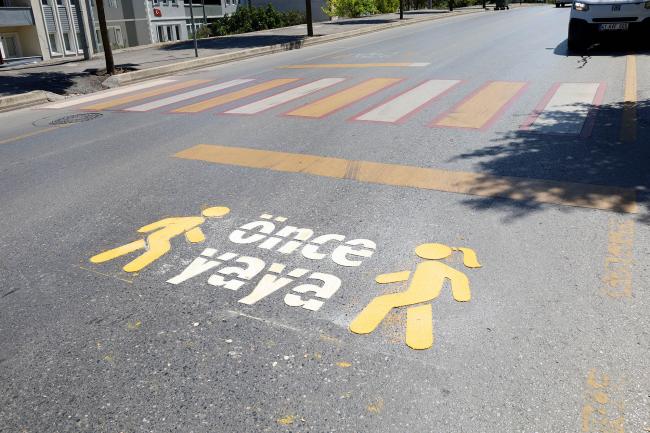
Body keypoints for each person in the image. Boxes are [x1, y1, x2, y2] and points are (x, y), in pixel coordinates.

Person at [349, 243, 481, 350]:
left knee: (384, 300)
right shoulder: (427, 265)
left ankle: (363, 324)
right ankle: (419, 339)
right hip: (420, 292)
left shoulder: (437, 266)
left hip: (425, 292)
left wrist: (461, 294)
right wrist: (387, 278)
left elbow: (458, 277)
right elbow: (410, 275)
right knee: (418, 309)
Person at [90, 206, 230, 273]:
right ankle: (132, 266)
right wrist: (197, 238)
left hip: (155, 235)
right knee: (156, 251)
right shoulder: (197, 221)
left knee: (141, 244)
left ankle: (104, 257)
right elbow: (194, 234)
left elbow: (166, 221)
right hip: (163, 239)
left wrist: (145, 229)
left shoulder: (190, 219)